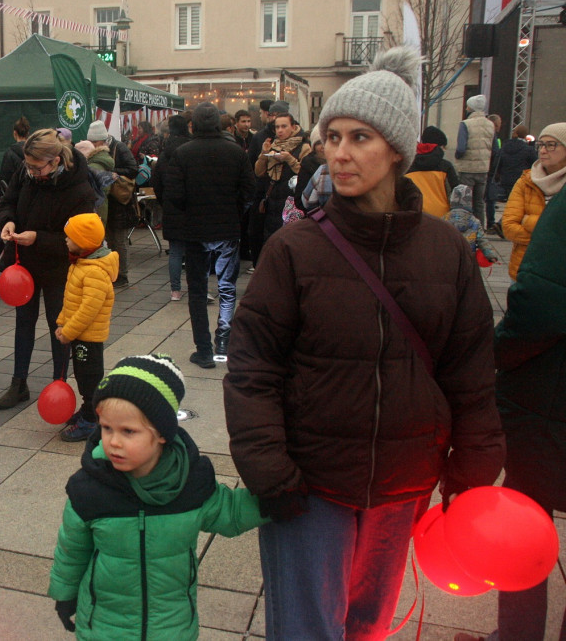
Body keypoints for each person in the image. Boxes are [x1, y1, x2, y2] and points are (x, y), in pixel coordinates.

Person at [224, 48, 505, 641]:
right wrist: (268, 468)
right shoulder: (295, 249)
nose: (340, 153)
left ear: (397, 149)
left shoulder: (445, 250)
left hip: (401, 483)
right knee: (306, 630)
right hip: (310, 482)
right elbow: (253, 366)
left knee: (368, 627)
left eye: (360, 137)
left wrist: (475, 460)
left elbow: (470, 368)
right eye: (333, 136)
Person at [48, 354, 267, 639]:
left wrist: (276, 499)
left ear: (161, 433)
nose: (113, 441)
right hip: (105, 626)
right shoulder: (89, 489)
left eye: (128, 431)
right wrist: (64, 594)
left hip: (171, 626)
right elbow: (72, 549)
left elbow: (231, 514)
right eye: (106, 428)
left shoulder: (190, 484)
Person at [482, 184, 566, 641]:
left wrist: (499, 353)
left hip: (549, 397)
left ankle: (518, 633)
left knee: (525, 519)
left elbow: (542, 302)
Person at [0, 128, 95, 410]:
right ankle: (19, 383)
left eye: (36, 167)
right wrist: (9, 220)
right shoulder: (25, 173)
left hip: (58, 267)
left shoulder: (79, 189)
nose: (31, 171)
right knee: (23, 322)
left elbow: (79, 242)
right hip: (24, 263)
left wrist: (38, 237)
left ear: (55, 161)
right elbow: (7, 201)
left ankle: (58, 384)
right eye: (27, 165)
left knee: (58, 326)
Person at [161, 103, 255, 367]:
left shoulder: (183, 154)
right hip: (227, 228)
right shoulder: (236, 153)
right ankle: (222, 342)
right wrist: (234, 210)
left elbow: (174, 195)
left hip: (196, 232)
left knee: (199, 292)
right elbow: (249, 189)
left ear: (194, 126)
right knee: (226, 288)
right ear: (219, 124)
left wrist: (191, 210)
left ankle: (203, 349)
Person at [55, 213, 119, 442]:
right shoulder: (81, 263)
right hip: (79, 334)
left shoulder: (93, 271)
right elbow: (71, 301)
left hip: (88, 338)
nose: (65, 240)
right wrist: (62, 322)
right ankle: (88, 410)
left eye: (69, 237)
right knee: (84, 377)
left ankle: (91, 420)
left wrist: (69, 332)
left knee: (89, 378)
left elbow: (88, 310)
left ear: (83, 242)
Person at [501, 123, 566, 280]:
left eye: (551, 145)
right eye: (541, 145)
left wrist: (529, 222)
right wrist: (553, 237)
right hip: (525, 270)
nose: (543, 150)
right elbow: (509, 227)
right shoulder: (526, 181)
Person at [83, 124, 133, 289]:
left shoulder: (119, 148)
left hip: (119, 203)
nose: (93, 146)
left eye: (95, 142)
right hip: (108, 203)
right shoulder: (102, 154)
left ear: (103, 140)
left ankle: (122, 275)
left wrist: (111, 173)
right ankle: (114, 273)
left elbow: (133, 169)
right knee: (110, 240)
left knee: (119, 241)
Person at [150, 114, 191, 301]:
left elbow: (156, 180)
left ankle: (175, 290)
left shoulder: (165, 153)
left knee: (175, 251)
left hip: (171, 206)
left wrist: (164, 201)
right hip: (192, 206)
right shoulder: (192, 148)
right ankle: (196, 286)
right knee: (194, 251)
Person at [253, 112, 311, 245]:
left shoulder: (304, 146)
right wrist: (264, 153)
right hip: (272, 200)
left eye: (284, 126)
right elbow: (259, 172)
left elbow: (306, 173)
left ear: (293, 127)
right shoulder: (273, 145)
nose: (280, 130)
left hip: (293, 202)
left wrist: (289, 159)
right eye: (277, 127)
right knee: (272, 240)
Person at [490, 124, 538, 237]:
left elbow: (498, 162)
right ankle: (503, 224)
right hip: (521, 180)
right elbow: (535, 164)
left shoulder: (505, 146)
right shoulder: (528, 149)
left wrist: (498, 175)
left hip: (505, 179)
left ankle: (502, 224)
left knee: (512, 204)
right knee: (518, 205)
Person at [455, 94, 495, 224]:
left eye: (467, 106)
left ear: (471, 108)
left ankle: (465, 228)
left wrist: (457, 157)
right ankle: (479, 230)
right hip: (483, 169)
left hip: (467, 168)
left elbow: (461, 148)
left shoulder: (465, 124)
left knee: (464, 202)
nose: (466, 108)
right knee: (479, 202)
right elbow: (495, 149)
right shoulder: (490, 125)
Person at [406, 125, 461, 217]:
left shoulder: (408, 166)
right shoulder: (446, 167)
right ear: (439, 146)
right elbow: (456, 192)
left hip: (416, 216)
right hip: (443, 217)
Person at [443, 185, 498, 264]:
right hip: (468, 256)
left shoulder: (444, 219)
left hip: (448, 256)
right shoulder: (474, 221)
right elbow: (482, 240)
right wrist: (491, 255)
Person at [0, 116, 31, 188]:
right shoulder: (35, 152)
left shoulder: (9, 153)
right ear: (28, 133)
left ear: (14, 133)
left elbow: (4, 178)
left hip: (15, 195)